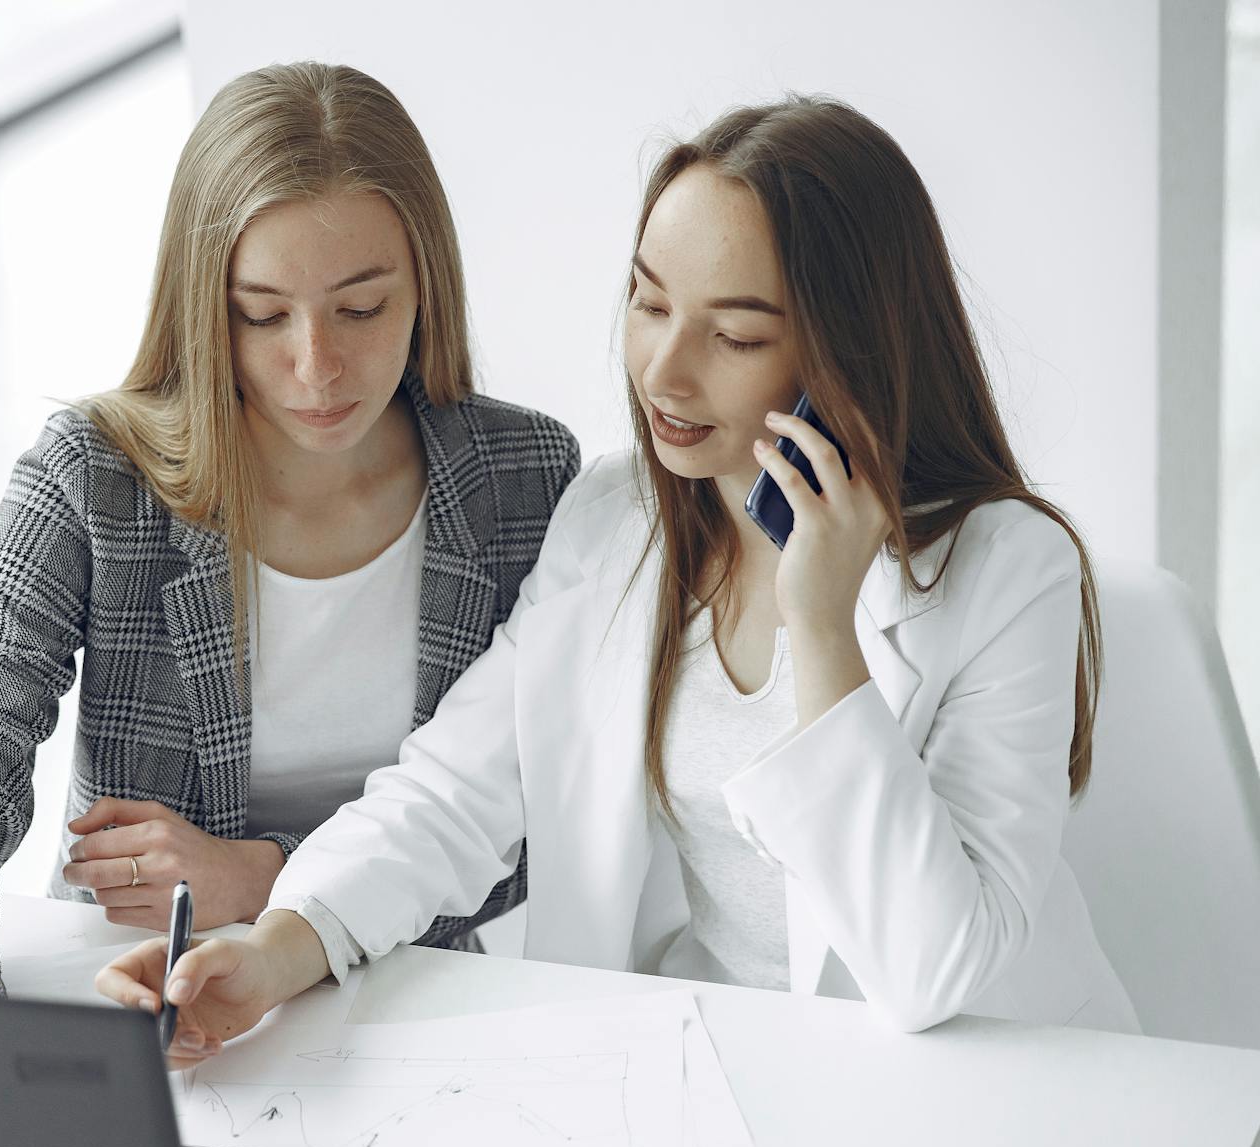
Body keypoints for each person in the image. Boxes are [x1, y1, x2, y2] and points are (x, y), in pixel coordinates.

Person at [98, 96, 1140, 1053]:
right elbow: (453, 790)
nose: (663, 370)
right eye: (647, 305)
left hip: (986, 1086)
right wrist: (276, 949)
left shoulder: (1008, 570)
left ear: (848, 346)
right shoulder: (614, 520)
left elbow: (929, 970)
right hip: (723, 1063)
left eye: (733, 334)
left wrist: (819, 626)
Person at [0, 62, 579, 996]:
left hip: (410, 1001)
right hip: (132, 987)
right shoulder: (89, 482)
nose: (316, 366)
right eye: (262, 314)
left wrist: (265, 876)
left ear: (426, 287)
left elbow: (545, 829)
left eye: (361, 308)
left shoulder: (523, 480)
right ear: (207, 306)